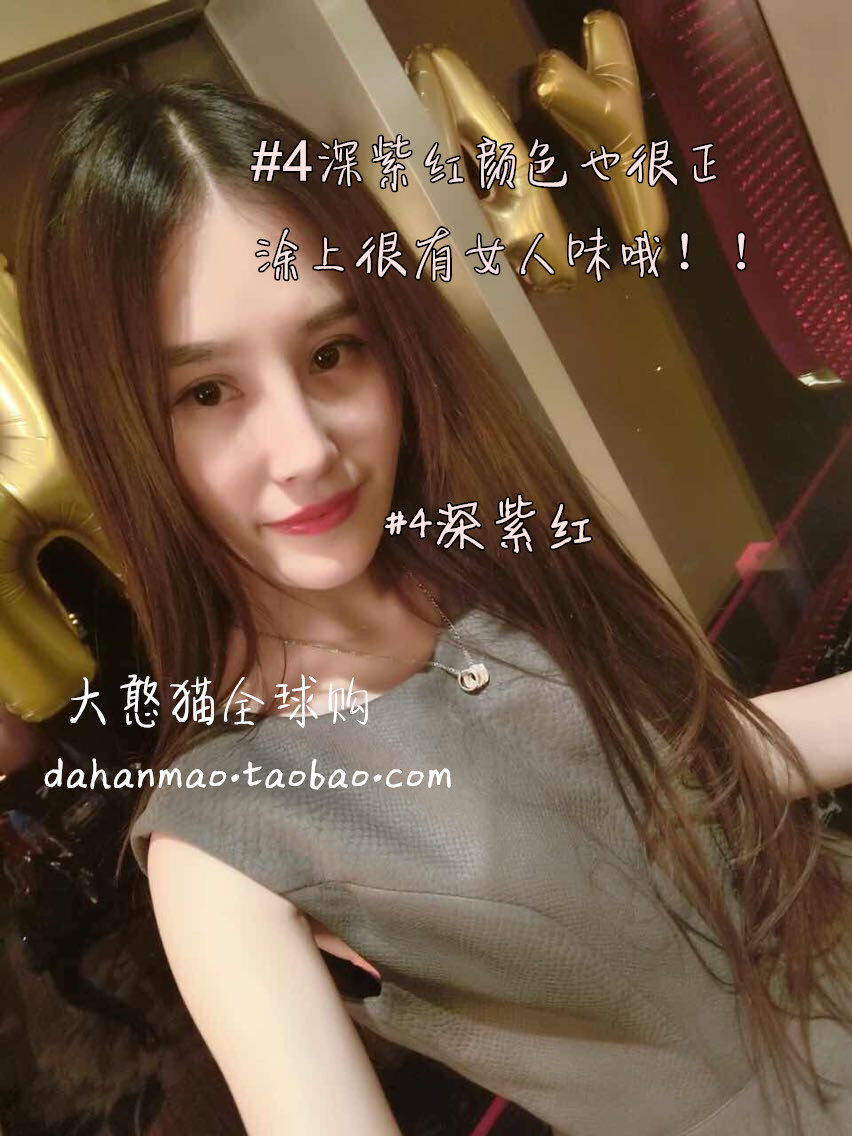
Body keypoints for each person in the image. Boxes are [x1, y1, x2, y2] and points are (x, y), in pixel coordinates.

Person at [12, 78, 851, 1136]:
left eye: (331, 353)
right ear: (120, 429)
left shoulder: (490, 570)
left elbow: (718, 763)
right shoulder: (225, 843)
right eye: (207, 392)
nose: (306, 449)